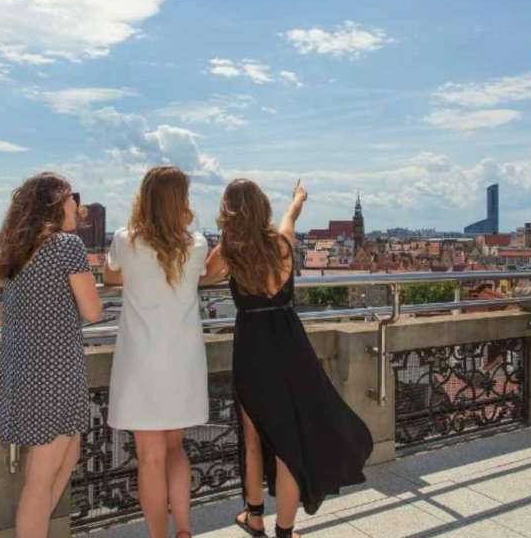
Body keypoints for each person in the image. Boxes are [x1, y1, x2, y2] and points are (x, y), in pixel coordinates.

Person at [208, 179, 373, 538]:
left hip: (252, 348)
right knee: (288, 442)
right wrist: (298, 197)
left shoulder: (229, 250)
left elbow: (202, 277)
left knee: (252, 439)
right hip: (289, 345)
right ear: (262, 207)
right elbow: (291, 215)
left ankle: (254, 518)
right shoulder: (282, 243)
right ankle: (285, 531)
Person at [0, 172, 102, 538]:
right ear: (55, 205)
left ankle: (35, 527)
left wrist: (16, 271)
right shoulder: (66, 246)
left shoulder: (19, 251)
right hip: (54, 374)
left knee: (67, 455)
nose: (78, 205)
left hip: (23, 372)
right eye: (72, 198)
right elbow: (92, 311)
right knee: (40, 482)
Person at [103, 166, 210, 538]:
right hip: (182, 359)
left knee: (150, 456)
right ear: (180, 202)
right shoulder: (197, 243)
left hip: (141, 362)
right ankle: (183, 529)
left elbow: (111, 276)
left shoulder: (125, 240)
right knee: (175, 447)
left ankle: (158, 536)